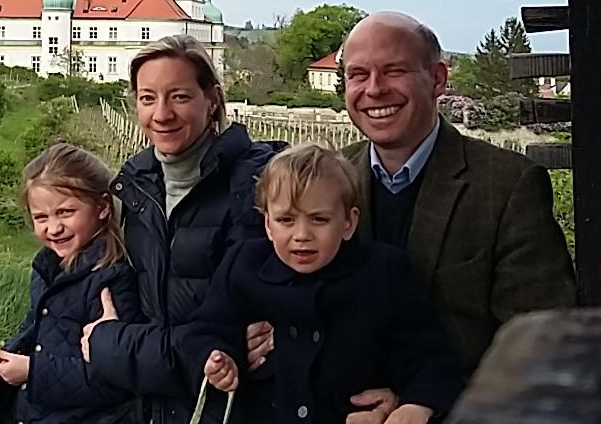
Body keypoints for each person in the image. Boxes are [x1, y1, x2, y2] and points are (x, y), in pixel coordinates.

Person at [340, 11, 577, 383]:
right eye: (358, 75)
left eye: (394, 71)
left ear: (437, 80)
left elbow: (538, 345)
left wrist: (426, 405)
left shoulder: (506, 187)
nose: (374, 89)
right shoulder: (329, 180)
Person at [78, 35, 289, 424]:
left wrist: (111, 345)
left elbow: (225, 349)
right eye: (147, 98)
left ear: (212, 100)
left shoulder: (258, 188)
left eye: (179, 96)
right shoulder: (134, 187)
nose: (161, 114)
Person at [184, 144, 462, 424]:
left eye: (319, 219)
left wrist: (417, 405)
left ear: (349, 223)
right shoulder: (244, 265)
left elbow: (428, 357)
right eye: (286, 220)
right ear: (267, 224)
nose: (302, 235)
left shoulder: (382, 273)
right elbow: (207, 327)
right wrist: (217, 357)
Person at [0, 143, 142, 424]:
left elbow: (114, 381)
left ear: (102, 207)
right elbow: (37, 334)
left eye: (66, 212)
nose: (53, 228)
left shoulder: (112, 282)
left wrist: (32, 371)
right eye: (41, 217)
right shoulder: (48, 268)